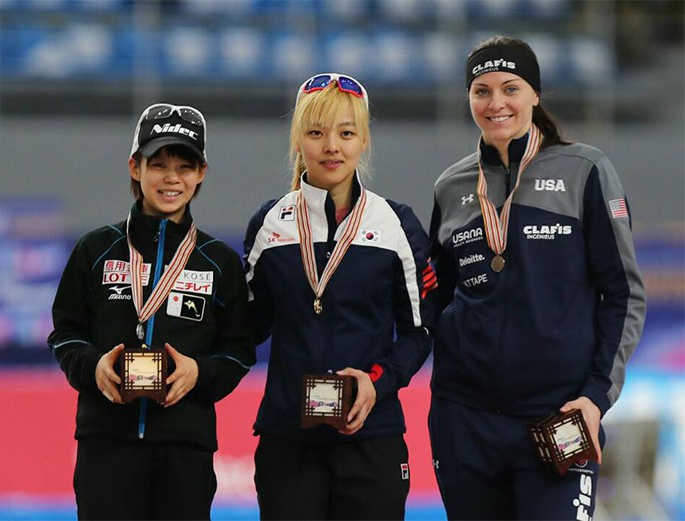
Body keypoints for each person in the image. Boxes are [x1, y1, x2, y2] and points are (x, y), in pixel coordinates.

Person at [427, 35, 647, 520]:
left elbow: (624, 294)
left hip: (559, 416)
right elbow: (431, 299)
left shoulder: (584, 170)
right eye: (481, 91)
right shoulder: (451, 186)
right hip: (464, 420)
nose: (496, 102)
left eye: (510, 87)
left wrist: (595, 397)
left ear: (535, 94)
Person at [243, 73, 437, 520]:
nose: (332, 146)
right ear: (297, 141)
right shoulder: (269, 225)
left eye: (346, 133)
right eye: (316, 133)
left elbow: (419, 332)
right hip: (287, 441)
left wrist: (377, 381)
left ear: (364, 140)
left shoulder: (397, 225)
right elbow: (246, 327)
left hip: (372, 437)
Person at [47, 103, 256, 520]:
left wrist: (200, 374)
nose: (172, 178)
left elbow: (239, 350)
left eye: (184, 166)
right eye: (158, 164)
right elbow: (65, 333)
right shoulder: (95, 250)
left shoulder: (219, 262)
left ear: (201, 174)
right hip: (105, 444)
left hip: (186, 448)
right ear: (134, 167)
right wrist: (93, 367)